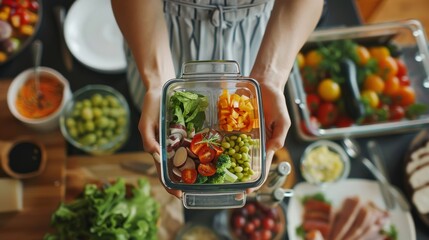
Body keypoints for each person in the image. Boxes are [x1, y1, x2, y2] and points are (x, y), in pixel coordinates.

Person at [111, 0, 324, 198]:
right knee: (160, 116)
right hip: (157, 34)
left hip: (262, 40)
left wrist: (270, 76)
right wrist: (159, 83)